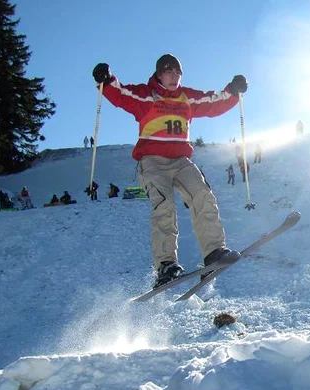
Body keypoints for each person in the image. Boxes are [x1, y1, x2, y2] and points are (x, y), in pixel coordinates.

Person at [92, 54, 248, 288]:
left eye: (177, 73)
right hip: (153, 161)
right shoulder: (146, 96)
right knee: (164, 206)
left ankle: (214, 251)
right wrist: (107, 80)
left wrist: (233, 91)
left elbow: (213, 103)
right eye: (169, 72)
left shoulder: (187, 97)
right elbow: (122, 94)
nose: (174, 77)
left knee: (202, 195)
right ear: (159, 74)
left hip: (181, 160)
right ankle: (166, 264)